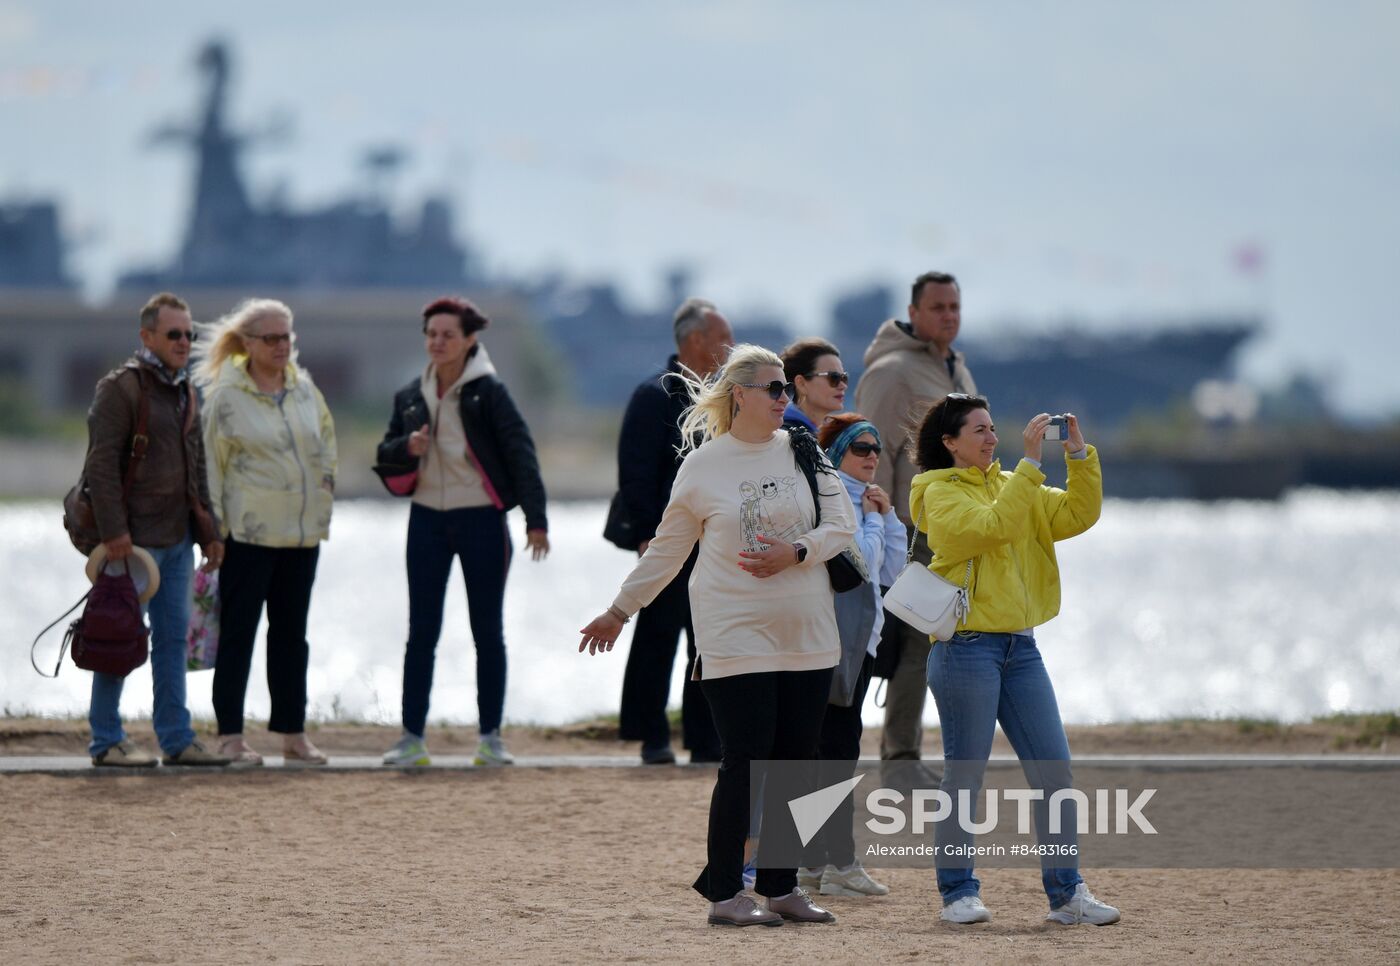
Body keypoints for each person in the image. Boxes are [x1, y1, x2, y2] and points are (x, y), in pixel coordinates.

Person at [579, 344, 856, 928]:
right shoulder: (703, 466)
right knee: (744, 759)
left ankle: (780, 888)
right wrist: (619, 610)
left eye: (786, 388)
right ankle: (727, 894)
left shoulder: (804, 450)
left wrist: (797, 551)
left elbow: (841, 526)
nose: (786, 399)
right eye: (775, 389)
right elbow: (669, 550)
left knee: (796, 763)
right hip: (734, 634)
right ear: (740, 396)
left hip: (807, 632)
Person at [908, 393, 1118, 926]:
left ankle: (1067, 894)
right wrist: (1028, 466)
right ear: (949, 442)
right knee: (965, 777)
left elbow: (1077, 513)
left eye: (991, 428)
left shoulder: (1013, 484)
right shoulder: (935, 492)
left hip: (1021, 648)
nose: (991, 437)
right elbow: (990, 527)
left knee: (1055, 772)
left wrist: (1078, 457)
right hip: (965, 650)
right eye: (977, 430)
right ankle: (958, 893)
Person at [379, 296, 550, 768]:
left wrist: (535, 521)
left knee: (487, 631)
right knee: (421, 632)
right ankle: (411, 738)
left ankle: (490, 739)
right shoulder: (410, 395)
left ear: (469, 340)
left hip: (482, 521)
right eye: (431, 334)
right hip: (426, 520)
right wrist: (406, 446)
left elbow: (521, 454)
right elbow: (386, 452)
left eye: (447, 335)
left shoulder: (489, 392)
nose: (437, 342)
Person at [81, 292, 229, 767]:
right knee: (117, 636)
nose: (185, 341)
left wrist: (210, 530)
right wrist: (114, 532)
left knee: (171, 642)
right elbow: (101, 465)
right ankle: (106, 740)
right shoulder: (120, 388)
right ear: (147, 337)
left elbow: (197, 466)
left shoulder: (186, 389)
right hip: (131, 546)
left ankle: (177, 739)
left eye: (191, 334)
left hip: (178, 540)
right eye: (175, 334)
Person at [195, 298, 336, 767]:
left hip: (301, 535)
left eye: (287, 337)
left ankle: (293, 734)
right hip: (247, 536)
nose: (281, 346)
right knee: (239, 634)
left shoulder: (304, 389)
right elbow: (211, 468)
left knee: (292, 637)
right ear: (247, 343)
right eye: (271, 338)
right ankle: (231, 736)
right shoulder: (226, 397)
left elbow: (326, 444)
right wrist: (213, 532)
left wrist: (324, 491)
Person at [853, 270, 978, 761]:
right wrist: (883, 529)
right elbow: (873, 454)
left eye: (954, 306)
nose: (948, 316)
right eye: (937, 308)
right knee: (915, 643)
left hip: (957, 526)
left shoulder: (956, 369)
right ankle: (899, 756)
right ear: (913, 313)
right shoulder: (891, 371)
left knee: (944, 640)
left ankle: (910, 752)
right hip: (912, 529)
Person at [614, 297, 730, 765]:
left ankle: (704, 739)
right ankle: (652, 736)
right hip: (664, 540)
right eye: (723, 337)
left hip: (713, 541)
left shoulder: (724, 397)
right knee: (657, 640)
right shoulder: (654, 394)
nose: (730, 346)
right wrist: (645, 532)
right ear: (695, 340)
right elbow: (635, 472)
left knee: (707, 640)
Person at [796, 413, 905, 898]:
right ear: (839, 452)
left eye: (876, 449)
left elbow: (895, 568)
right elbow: (864, 562)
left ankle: (811, 865)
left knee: (823, 751)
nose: (872, 457)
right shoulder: (836, 495)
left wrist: (888, 516)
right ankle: (838, 864)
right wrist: (878, 519)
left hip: (854, 641)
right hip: (838, 642)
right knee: (836, 751)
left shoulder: (862, 498)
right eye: (861, 448)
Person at [779, 337, 847, 435]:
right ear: (801, 383)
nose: (843, 386)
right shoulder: (786, 436)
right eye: (834, 377)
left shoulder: (832, 437)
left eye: (844, 377)